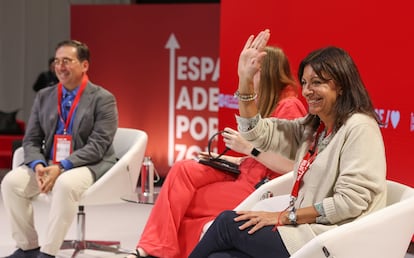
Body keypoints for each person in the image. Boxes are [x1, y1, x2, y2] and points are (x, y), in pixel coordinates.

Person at [189, 29, 387, 258]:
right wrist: (245, 80)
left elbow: (349, 203)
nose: (307, 91)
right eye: (304, 82)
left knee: (226, 223)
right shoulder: (315, 127)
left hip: (333, 241)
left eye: (317, 82)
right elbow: (255, 132)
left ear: (341, 86)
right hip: (304, 233)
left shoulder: (360, 128)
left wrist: (284, 217)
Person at [126, 46, 307, 258]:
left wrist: (248, 148)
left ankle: (157, 251)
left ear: (267, 73)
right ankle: (153, 249)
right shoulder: (267, 102)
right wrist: (228, 158)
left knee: (184, 203)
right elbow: (260, 156)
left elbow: (291, 165)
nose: (247, 80)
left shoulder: (289, 106)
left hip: (261, 186)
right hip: (246, 171)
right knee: (183, 169)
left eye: (252, 72)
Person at [1, 40, 118, 258]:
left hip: (89, 163)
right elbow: (32, 139)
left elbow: (98, 145)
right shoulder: (44, 96)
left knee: (64, 184)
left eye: (67, 61)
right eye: (57, 61)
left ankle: (48, 252)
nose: (60, 67)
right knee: (11, 183)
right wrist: (38, 165)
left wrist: (61, 167)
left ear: (84, 65)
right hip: (49, 162)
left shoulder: (103, 99)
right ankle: (28, 247)